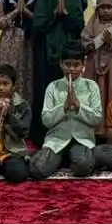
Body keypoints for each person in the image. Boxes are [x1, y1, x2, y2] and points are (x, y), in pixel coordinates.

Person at [31, 0, 86, 143]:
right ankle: (44, 134)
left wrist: (66, 14)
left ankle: (70, 133)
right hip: (46, 55)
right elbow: (38, 26)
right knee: (46, 91)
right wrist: (54, 14)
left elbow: (79, 27)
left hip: (68, 56)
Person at [30, 45, 103, 179]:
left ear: (83, 65)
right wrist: (63, 107)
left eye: (76, 65)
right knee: (37, 170)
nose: (71, 69)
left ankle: (72, 158)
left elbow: (97, 118)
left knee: (83, 167)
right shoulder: (53, 87)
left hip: (82, 139)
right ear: (61, 64)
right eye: (67, 64)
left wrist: (78, 106)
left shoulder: (91, 86)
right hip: (57, 140)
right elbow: (46, 120)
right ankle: (61, 157)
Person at [0, 0, 39, 92]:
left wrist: (26, 11)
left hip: (30, 41)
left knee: (27, 75)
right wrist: (15, 12)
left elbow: (41, 21)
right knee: (9, 73)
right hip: (9, 42)